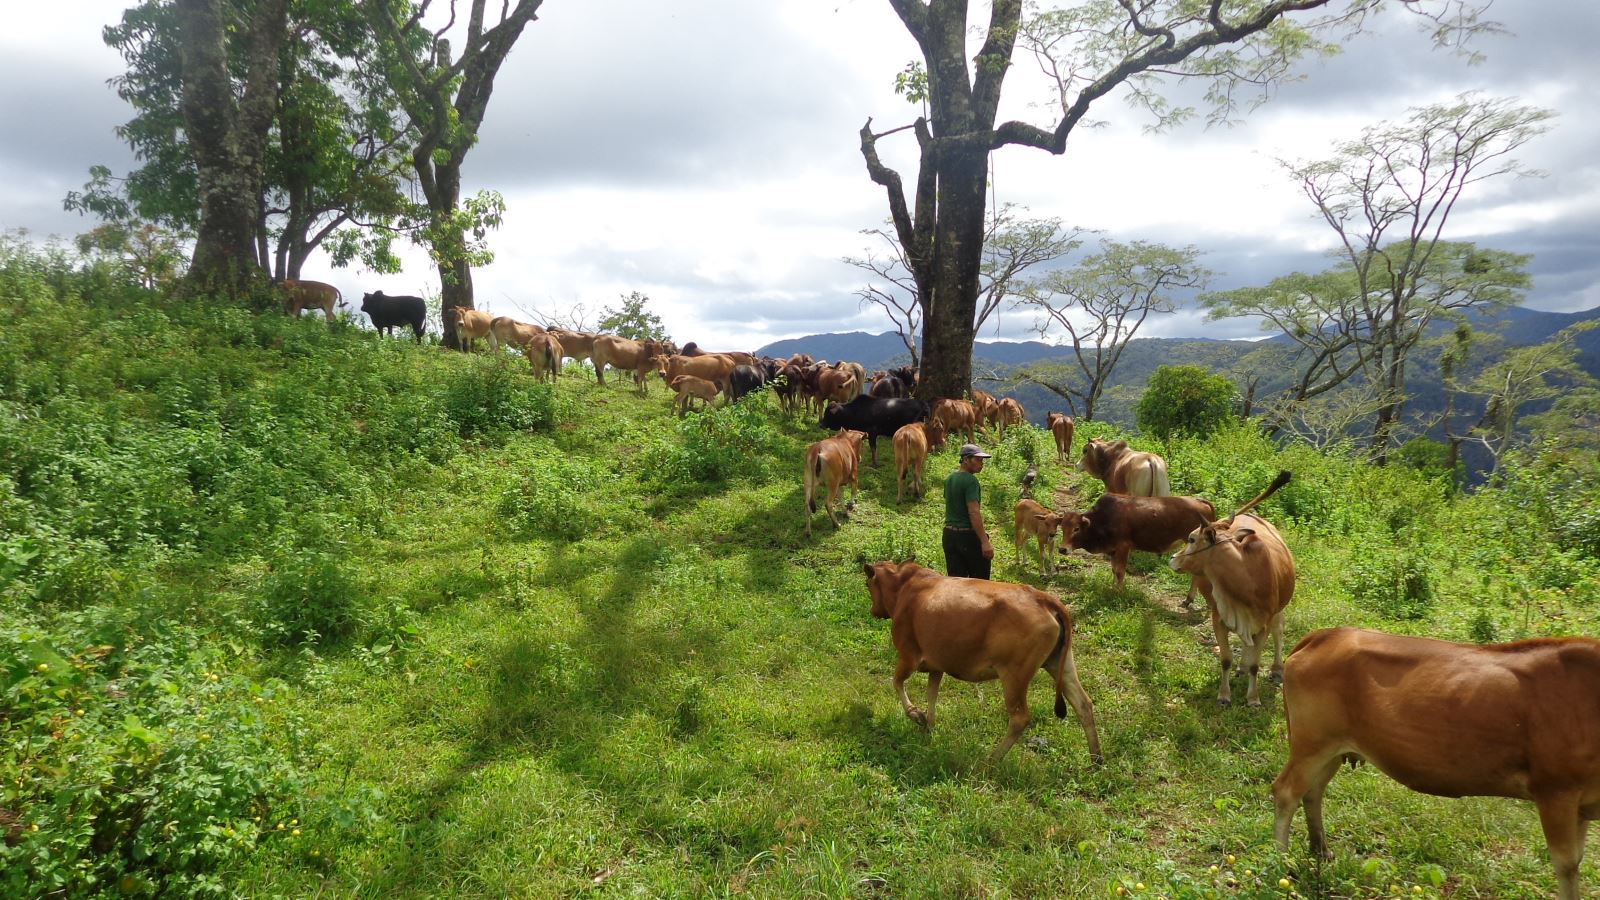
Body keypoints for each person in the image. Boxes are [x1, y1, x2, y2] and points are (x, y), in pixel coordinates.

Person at [943, 443, 994, 579]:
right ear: (966, 460)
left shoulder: (949, 479)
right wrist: (984, 541)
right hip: (967, 538)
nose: (981, 464)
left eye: (982, 461)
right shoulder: (971, 481)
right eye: (977, 460)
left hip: (949, 536)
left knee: (956, 583)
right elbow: (974, 512)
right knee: (979, 585)